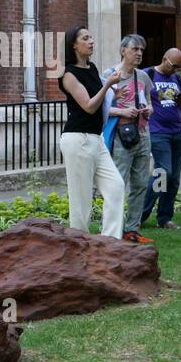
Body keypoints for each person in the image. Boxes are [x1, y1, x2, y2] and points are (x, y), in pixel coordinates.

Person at [58, 26, 125, 239]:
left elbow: (99, 99)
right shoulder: (68, 74)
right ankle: (79, 247)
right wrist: (108, 86)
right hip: (78, 139)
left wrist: (113, 91)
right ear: (74, 45)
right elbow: (88, 105)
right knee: (81, 200)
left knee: (116, 187)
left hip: (97, 139)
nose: (91, 41)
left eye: (91, 37)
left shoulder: (92, 68)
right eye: (85, 38)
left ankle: (110, 242)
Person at [103, 35, 156, 244]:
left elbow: (150, 102)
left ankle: (132, 230)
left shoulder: (142, 77)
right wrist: (123, 110)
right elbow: (101, 107)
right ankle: (111, 230)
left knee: (141, 183)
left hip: (143, 134)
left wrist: (148, 109)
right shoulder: (110, 75)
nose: (139, 53)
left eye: (141, 50)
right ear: (123, 50)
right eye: (135, 49)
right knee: (117, 183)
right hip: (121, 136)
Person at [141, 48, 181, 230]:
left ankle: (164, 217)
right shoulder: (148, 74)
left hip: (177, 132)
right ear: (164, 59)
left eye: (179, 67)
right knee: (163, 172)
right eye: (173, 66)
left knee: (174, 178)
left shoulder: (177, 79)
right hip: (157, 131)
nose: (175, 70)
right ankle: (141, 214)